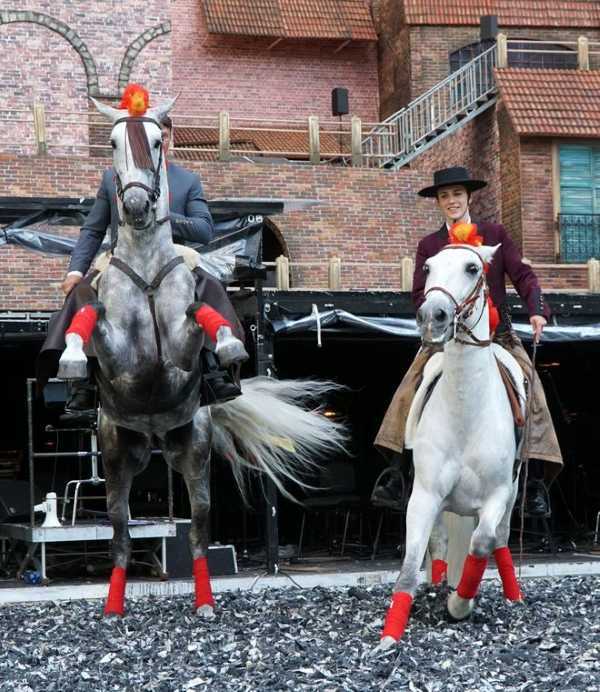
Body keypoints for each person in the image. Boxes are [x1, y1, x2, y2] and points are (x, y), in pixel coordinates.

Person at [372, 166, 563, 516]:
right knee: (410, 385)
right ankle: (396, 473)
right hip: (445, 335)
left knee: (533, 387)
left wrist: (537, 310)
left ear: (468, 197)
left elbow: (523, 275)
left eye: (457, 194)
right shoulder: (430, 245)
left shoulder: (495, 234)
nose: (452, 201)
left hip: (497, 334)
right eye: (444, 196)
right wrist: (435, 318)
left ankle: (534, 480)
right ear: (438, 202)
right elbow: (419, 293)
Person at [38, 112, 244, 416]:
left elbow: (204, 230)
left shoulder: (187, 180)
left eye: (161, 137)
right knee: (81, 292)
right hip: (123, 257)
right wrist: (75, 270)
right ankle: (84, 382)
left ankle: (214, 369)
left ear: (168, 140)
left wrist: (162, 214)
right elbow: (93, 229)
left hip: (172, 255)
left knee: (209, 285)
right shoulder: (112, 178)